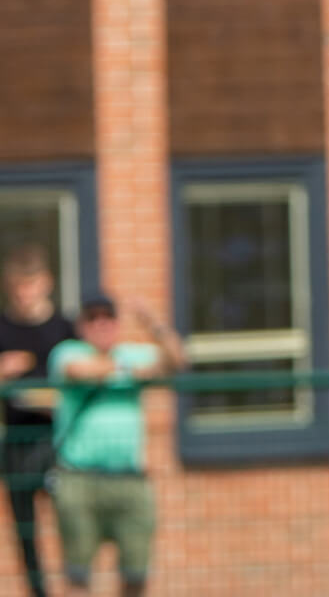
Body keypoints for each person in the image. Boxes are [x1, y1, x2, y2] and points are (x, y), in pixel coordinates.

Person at [48, 292, 187, 597]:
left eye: (107, 318)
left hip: (129, 478)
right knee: (77, 575)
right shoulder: (68, 352)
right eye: (93, 318)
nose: (101, 325)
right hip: (78, 478)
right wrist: (127, 371)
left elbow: (177, 360)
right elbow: (80, 371)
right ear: (82, 326)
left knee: (136, 575)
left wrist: (153, 323)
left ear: (116, 323)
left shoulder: (132, 353)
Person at [0, 244, 76, 597]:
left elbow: (78, 386)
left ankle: (76, 585)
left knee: (72, 518)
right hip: (17, 441)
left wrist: (56, 400)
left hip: (60, 441)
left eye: (29, 285)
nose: (24, 295)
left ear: (46, 283)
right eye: (17, 287)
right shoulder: (3, 327)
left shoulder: (65, 329)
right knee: (25, 530)